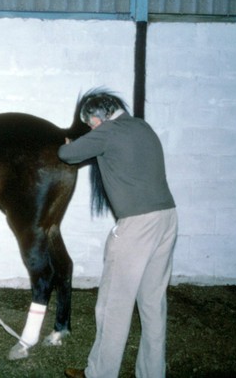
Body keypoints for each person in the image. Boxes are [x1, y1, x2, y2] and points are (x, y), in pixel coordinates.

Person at [58, 89, 177, 378]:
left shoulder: (108, 131)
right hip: (167, 218)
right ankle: (152, 374)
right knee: (152, 304)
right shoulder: (141, 126)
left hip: (137, 226)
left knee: (113, 303)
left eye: (90, 124)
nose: (91, 129)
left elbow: (67, 154)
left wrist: (75, 140)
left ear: (97, 118)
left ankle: (99, 373)